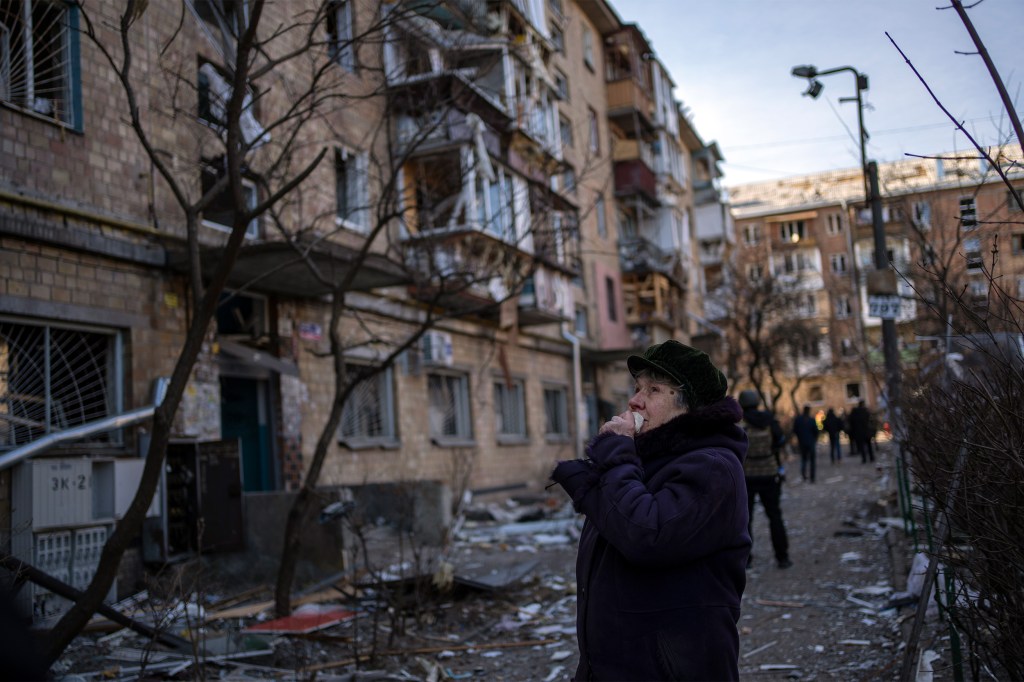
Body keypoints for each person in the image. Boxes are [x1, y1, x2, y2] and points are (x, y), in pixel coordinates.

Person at [550, 340, 749, 681]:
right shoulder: (646, 461)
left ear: (690, 406)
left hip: (674, 669)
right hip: (618, 665)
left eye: (654, 389)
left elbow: (647, 535)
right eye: (637, 387)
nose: (635, 400)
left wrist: (616, 456)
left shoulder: (713, 467)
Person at [738, 390, 792, 570]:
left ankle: (747, 559)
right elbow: (780, 442)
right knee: (775, 516)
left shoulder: (740, 424)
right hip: (770, 473)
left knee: (746, 519)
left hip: (747, 476)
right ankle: (782, 557)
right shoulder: (769, 421)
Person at [791, 404, 820, 482]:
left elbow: (794, 430)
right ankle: (812, 477)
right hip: (810, 442)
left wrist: (799, 437)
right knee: (812, 460)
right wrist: (815, 439)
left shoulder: (798, 420)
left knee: (804, 460)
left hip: (802, 442)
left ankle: (804, 475)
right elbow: (816, 431)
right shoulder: (811, 420)